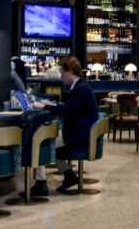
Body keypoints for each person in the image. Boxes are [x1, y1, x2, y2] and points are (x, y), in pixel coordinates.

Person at [32, 57, 98, 194]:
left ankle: (41, 184)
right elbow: (71, 107)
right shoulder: (82, 86)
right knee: (52, 147)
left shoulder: (80, 89)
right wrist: (53, 105)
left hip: (76, 134)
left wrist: (44, 106)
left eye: (63, 73)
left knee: (39, 142)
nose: (61, 76)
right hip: (80, 131)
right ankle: (69, 176)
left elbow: (66, 110)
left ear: (71, 72)